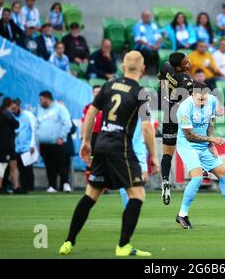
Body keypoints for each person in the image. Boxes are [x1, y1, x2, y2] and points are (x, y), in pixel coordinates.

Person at [59, 51, 159, 257]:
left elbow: (91, 113)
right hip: (120, 147)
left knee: (91, 194)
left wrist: (86, 141)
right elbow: (148, 128)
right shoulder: (140, 93)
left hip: (101, 145)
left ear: (123, 67)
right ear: (143, 69)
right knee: (138, 194)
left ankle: (68, 242)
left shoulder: (108, 85)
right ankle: (123, 246)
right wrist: (154, 157)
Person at [175, 82, 225, 228]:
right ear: (192, 93)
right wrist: (211, 139)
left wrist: (210, 144)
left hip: (204, 145)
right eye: (200, 99)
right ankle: (182, 215)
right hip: (187, 145)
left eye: (205, 98)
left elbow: (210, 123)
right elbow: (189, 135)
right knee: (197, 177)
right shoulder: (184, 108)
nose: (203, 101)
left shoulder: (211, 100)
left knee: (224, 175)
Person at [157, 52, 194, 205]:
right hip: (181, 117)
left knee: (167, 153)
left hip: (167, 115)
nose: (189, 62)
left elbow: (160, 80)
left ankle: (165, 180)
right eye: (186, 62)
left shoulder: (166, 66)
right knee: (196, 144)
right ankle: (201, 172)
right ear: (179, 67)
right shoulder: (187, 82)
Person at [36, 91, 72, 193]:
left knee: (61, 164)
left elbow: (67, 123)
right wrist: (38, 139)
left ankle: (65, 184)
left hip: (57, 142)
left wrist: (62, 136)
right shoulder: (40, 109)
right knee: (49, 165)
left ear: (47, 98)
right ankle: (52, 186)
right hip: (44, 143)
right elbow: (37, 124)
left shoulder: (60, 108)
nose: (40, 101)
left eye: (41, 99)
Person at [0, 97, 25, 194]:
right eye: (13, 104)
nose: (14, 106)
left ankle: (16, 186)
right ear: (9, 105)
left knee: (13, 164)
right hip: (4, 144)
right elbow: (16, 124)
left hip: (10, 143)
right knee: (2, 164)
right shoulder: (5, 113)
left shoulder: (4, 112)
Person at [11, 99, 35, 192]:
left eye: (15, 108)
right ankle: (22, 187)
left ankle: (30, 187)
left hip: (26, 147)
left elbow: (34, 130)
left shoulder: (28, 115)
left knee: (28, 168)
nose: (14, 110)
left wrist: (32, 144)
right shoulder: (11, 116)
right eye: (12, 109)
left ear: (19, 106)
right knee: (19, 168)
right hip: (16, 147)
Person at [132, 10, 163, 74]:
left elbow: (159, 37)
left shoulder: (153, 25)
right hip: (143, 46)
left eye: (149, 16)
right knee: (147, 50)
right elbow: (138, 39)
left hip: (155, 46)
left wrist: (157, 45)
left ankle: (159, 70)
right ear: (142, 17)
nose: (148, 17)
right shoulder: (138, 26)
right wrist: (149, 45)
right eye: (146, 16)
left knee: (163, 51)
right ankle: (145, 69)